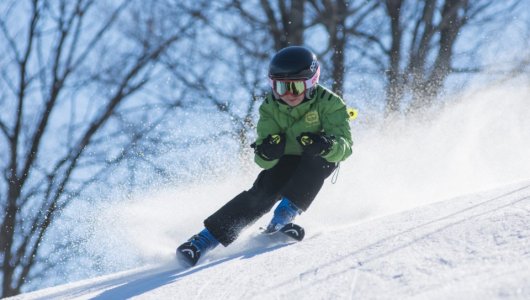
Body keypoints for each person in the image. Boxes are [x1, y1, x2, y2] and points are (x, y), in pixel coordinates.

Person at [176, 46, 353, 266]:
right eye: (280, 87)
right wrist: (268, 151)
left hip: (316, 157)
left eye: (295, 87)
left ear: (311, 83)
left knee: (320, 162)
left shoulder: (330, 103)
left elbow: (345, 147)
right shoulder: (270, 107)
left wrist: (326, 145)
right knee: (263, 191)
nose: (287, 95)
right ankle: (203, 241)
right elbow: (262, 159)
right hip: (286, 159)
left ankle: (283, 217)